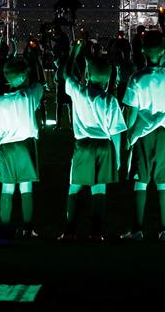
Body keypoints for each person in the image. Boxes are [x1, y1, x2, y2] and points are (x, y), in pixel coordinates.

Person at [57, 41, 126, 241]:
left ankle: (70, 230)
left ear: (88, 76)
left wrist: (73, 53)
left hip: (84, 145)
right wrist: (118, 157)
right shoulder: (111, 101)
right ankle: (96, 232)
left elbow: (66, 76)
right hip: (105, 146)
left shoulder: (80, 93)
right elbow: (117, 132)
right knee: (99, 188)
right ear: (107, 80)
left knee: (75, 186)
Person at [120, 30, 165, 241]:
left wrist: (128, 133)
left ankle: (137, 230)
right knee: (163, 182)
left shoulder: (136, 79)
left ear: (143, 50)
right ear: (161, 50)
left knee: (140, 181)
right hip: (163, 132)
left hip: (142, 134)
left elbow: (131, 111)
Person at [0, 56, 44, 237]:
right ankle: (28, 228)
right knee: (26, 188)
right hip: (25, 146)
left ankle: (5, 227)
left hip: (6, 147)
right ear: (21, 76)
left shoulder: (0, 101)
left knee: (7, 188)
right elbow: (39, 84)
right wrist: (35, 64)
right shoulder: (29, 95)